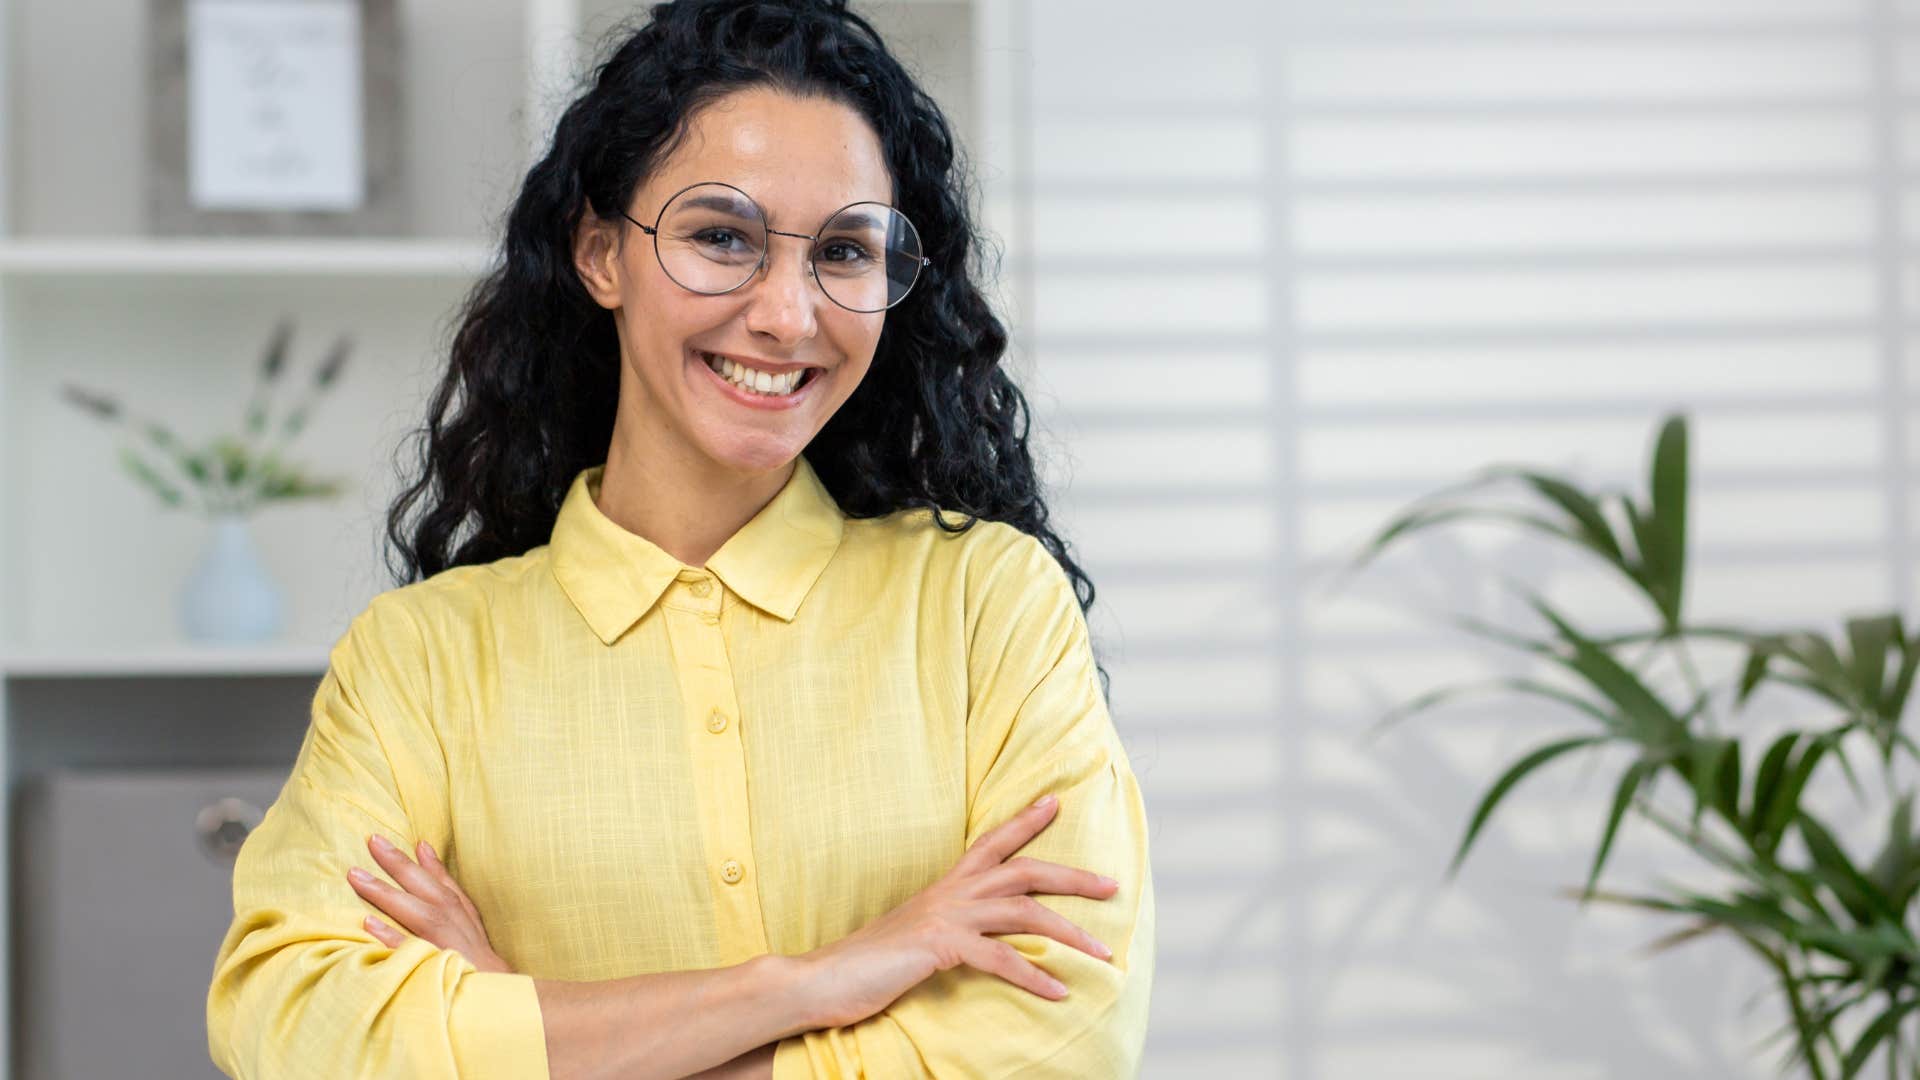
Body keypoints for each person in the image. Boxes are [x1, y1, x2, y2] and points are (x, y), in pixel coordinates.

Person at [204, 1, 1155, 1077]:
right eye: (722, 237)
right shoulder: (420, 662)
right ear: (601, 253)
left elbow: (1061, 1038)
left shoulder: (987, 608)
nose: (789, 315)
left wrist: (530, 1021)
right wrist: (809, 984)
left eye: (843, 251)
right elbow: (291, 1027)